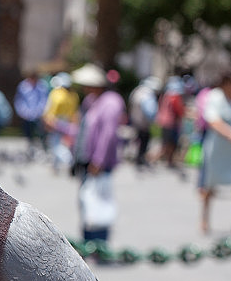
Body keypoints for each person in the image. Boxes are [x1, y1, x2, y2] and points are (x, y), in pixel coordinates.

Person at [71, 62, 126, 243]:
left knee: (99, 203)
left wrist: (99, 161)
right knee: (87, 202)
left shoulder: (111, 102)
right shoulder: (91, 102)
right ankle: (88, 241)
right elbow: (82, 130)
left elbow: (108, 134)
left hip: (99, 164)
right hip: (86, 160)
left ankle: (98, 244)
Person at [199, 68, 231, 234]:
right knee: (210, 186)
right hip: (217, 149)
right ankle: (204, 218)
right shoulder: (215, 97)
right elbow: (213, 120)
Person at [42, 72, 79, 172]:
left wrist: (47, 122)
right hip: (68, 122)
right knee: (61, 144)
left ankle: (70, 161)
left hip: (56, 121)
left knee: (55, 145)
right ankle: (55, 166)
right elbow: (75, 112)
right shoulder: (73, 95)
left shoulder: (56, 94)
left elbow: (50, 110)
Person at [127, 76, 161, 168]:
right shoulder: (147, 95)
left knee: (137, 138)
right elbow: (150, 111)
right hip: (143, 122)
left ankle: (136, 156)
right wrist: (154, 120)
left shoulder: (137, 91)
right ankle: (140, 158)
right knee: (144, 141)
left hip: (135, 119)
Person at [155, 76, 186, 168]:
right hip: (171, 123)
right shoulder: (174, 96)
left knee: (166, 143)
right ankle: (162, 159)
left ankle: (166, 160)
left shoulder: (165, 95)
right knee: (170, 143)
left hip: (163, 121)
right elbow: (179, 110)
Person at [13, 71, 49, 153]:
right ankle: (30, 147)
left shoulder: (42, 86)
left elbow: (44, 100)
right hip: (26, 114)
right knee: (28, 132)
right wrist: (23, 112)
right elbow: (19, 100)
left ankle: (42, 148)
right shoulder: (23, 86)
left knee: (41, 132)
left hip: (39, 114)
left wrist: (40, 111)